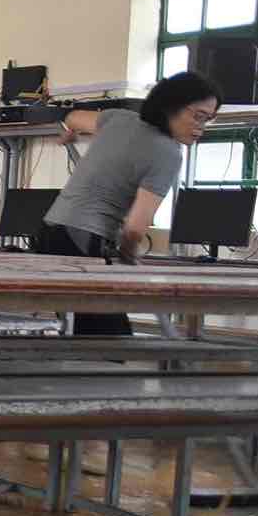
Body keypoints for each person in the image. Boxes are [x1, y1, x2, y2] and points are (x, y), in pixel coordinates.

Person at [38, 72, 219, 335]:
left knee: (88, 332)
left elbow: (72, 117)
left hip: (50, 232)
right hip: (81, 241)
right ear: (171, 106)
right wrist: (128, 253)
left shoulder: (119, 118)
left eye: (209, 119)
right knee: (109, 340)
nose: (202, 126)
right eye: (198, 116)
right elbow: (135, 227)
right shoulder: (168, 152)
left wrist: (68, 133)